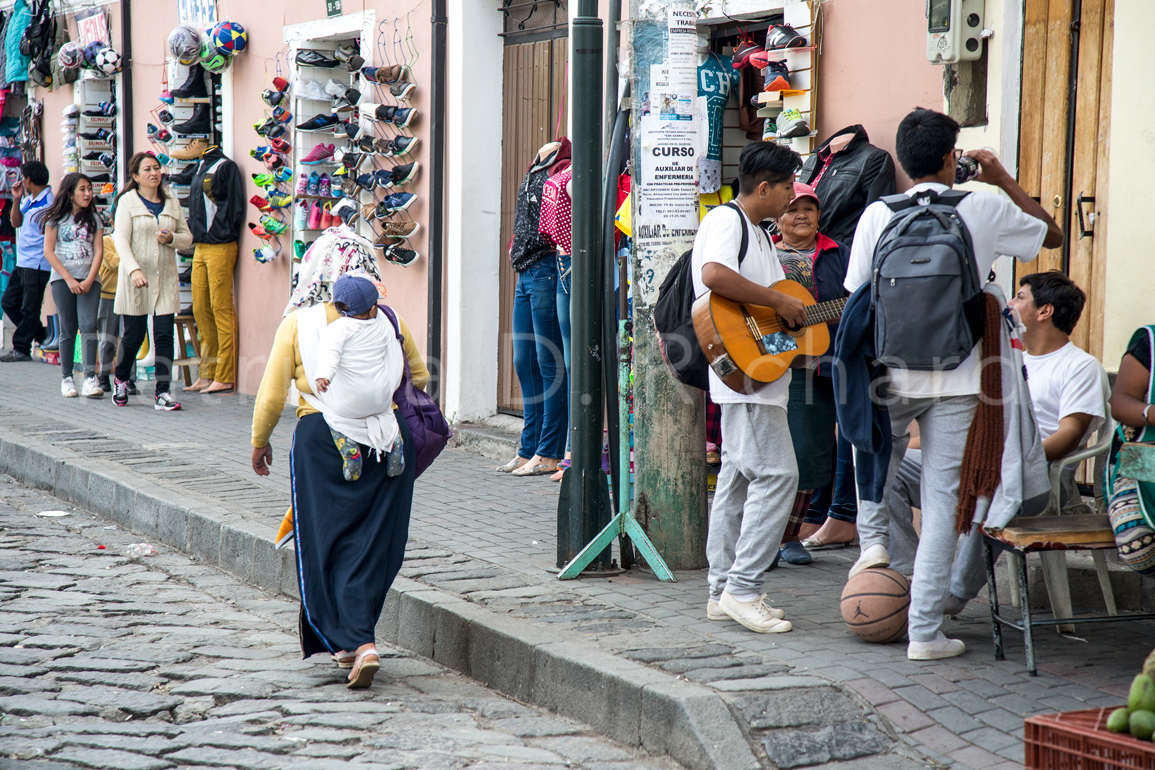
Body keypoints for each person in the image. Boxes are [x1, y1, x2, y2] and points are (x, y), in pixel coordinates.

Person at [844, 108, 1063, 660]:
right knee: (942, 501)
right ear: (950, 158)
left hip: (888, 371)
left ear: (900, 158)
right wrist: (1000, 178)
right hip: (963, 375)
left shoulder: (877, 214)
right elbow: (1052, 237)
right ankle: (924, 634)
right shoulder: (982, 205)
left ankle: (872, 542)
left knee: (873, 455)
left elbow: (858, 295)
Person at [250, 220, 428, 689]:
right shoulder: (389, 319)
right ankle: (356, 639)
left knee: (327, 542)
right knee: (375, 542)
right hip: (388, 444)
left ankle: (357, 641)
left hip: (323, 445)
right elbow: (420, 377)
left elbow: (270, 396)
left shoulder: (298, 324)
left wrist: (259, 442)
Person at [885, 271, 1107, 610]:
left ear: (1044, 311)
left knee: (995, 485)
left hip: (1035, 477)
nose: (1009, 303)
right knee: (888, 465)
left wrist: (1008, 460)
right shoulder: (1000, 359)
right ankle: (911, 573)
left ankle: (955, 593)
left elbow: (1068, 436)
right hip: (976, 462)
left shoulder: (1080, 366)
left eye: (1019, 297)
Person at [692, 141, 806, 634]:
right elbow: (714, 275)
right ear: (764, 187)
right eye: (786, 188)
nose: (790, 197)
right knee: (779, 476)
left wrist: (799, 329)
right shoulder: (726, 221)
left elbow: (772, 318)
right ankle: (743, 588)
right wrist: (778, 300)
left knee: (736, 483)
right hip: (745, 382)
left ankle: (722, 591)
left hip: (758, 375)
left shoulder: (758, 234)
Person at [771, 182, 851, 566]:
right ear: (778, 218)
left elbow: (859, 297)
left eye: (809, 208)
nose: (801, 215)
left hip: (834, 363)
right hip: (785, 367)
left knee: (818, 452)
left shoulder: (839, 253)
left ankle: (793, 534)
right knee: (791, 453)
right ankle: (777, 538)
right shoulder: (766, 254)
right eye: (792, 209)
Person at [498, 139, 571, 478]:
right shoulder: (538, 164)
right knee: (523, 359)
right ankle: (529, 446)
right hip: (525, 272)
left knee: (548, 360)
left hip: (545, 268)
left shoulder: (564, 165)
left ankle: (550, 450)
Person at [111, 152, 193, 411]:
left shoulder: (171, 201)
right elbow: (120, 240)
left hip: (165, 278)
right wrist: (134, 270)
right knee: (134, 337)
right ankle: (121, 379)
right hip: (137, 279)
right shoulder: (127, 202)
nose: (154, 173)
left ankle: (162, 393)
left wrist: (171, 239)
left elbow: (187, 237)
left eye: (156, 168)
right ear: (135, 176)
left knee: (165, 336)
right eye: (147, 169)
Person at [186, 140, 244, 395]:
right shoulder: (200, 165)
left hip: (220, 246)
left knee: (221, 309)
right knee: (201, 309)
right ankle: (207, 373)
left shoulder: (226, 166)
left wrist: (223, 233)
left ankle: (225, 374)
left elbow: (235, 207)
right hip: (200, 246)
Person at [41, 173, 104, 398]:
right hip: (62, 280)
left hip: (90, 280)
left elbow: (99, 251)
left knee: (89, 325)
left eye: (89, 189)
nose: (88, 194)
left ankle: (89, 378)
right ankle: (67, 378)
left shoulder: (94, 218)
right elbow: (48, 251)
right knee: (68, 329)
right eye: (82, 190)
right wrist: (68, 278)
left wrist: (89, 279)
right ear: (70, 193)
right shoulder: (55, 219)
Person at [1106, 324, 1155, 576]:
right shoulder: (1150, 342)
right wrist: (1151, 413)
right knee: (1139, 549)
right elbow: (1120, 402)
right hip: (1143, 461)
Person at [0, 161, 53, 362]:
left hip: (38, 263)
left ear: (29, 179)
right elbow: (16, 222)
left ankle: (21, 348)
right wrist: (16, 199)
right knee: (9, 302)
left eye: (23, 177)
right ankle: (44, 336)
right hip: (23, 262)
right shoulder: (29, 200)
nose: (22, 181)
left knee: (30, 307)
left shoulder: (49, 203)